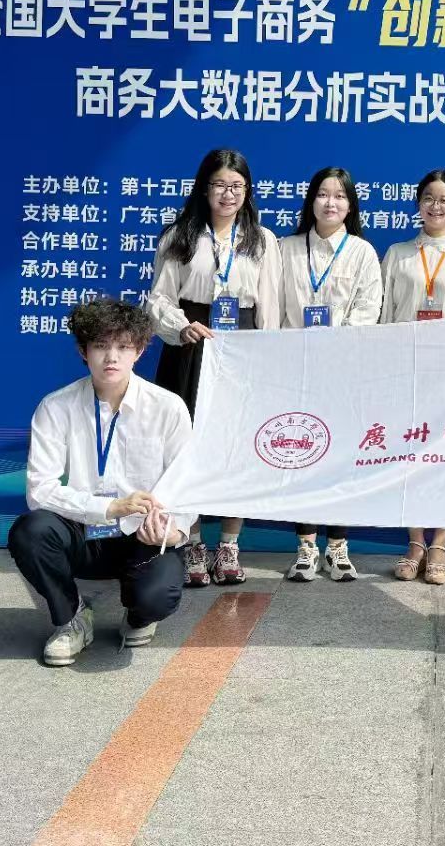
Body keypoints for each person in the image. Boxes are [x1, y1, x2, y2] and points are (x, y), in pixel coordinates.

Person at [8, 299, 196, 667]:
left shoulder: (168, 407)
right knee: (30, 531)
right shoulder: (56, 407)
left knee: (158, 597)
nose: (112, 357)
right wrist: (109, 507)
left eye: (123, 346)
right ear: (83, 351)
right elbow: (40, 490)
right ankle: (71, 617)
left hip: (143, 534)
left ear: (139, 351)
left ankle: (139, 616)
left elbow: (187, 483)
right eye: (100, 346)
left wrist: (174, 531)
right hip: (84, 532)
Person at [149, 148, 279, 588]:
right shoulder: (180, 236)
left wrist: (267, 356)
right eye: (220, 185)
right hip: (191, 343)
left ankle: (229, 544)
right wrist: (181, 326)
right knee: (186, 446)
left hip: (242, 349)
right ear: (204, 189)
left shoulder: (262, 239)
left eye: (237, 186)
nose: (229, 194)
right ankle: (192, 542)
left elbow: (269, 304)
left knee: (236, 447)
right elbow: (159, 298)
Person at [380, 168, 445, 585]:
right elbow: (385, 317)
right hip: (406, 368)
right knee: (409, 456)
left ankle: (441, 542)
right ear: (418, 204)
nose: (436, 206)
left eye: (444, 199)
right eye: (428, 198)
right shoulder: (398, 254)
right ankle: (415, 542)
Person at [277, 166, 383, 583]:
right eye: (323, 194)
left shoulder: (362, 252)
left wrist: (335, 347)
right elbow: (273, 308)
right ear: (311, 201)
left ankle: (338, 547)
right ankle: (305, 546)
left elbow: (368, 309)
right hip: (294, 368)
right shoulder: (284, 249)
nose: (330, 202)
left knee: (342, 456)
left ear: (350, 205)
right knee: (300, 452)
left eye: (340, 195)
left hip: (345, 370)